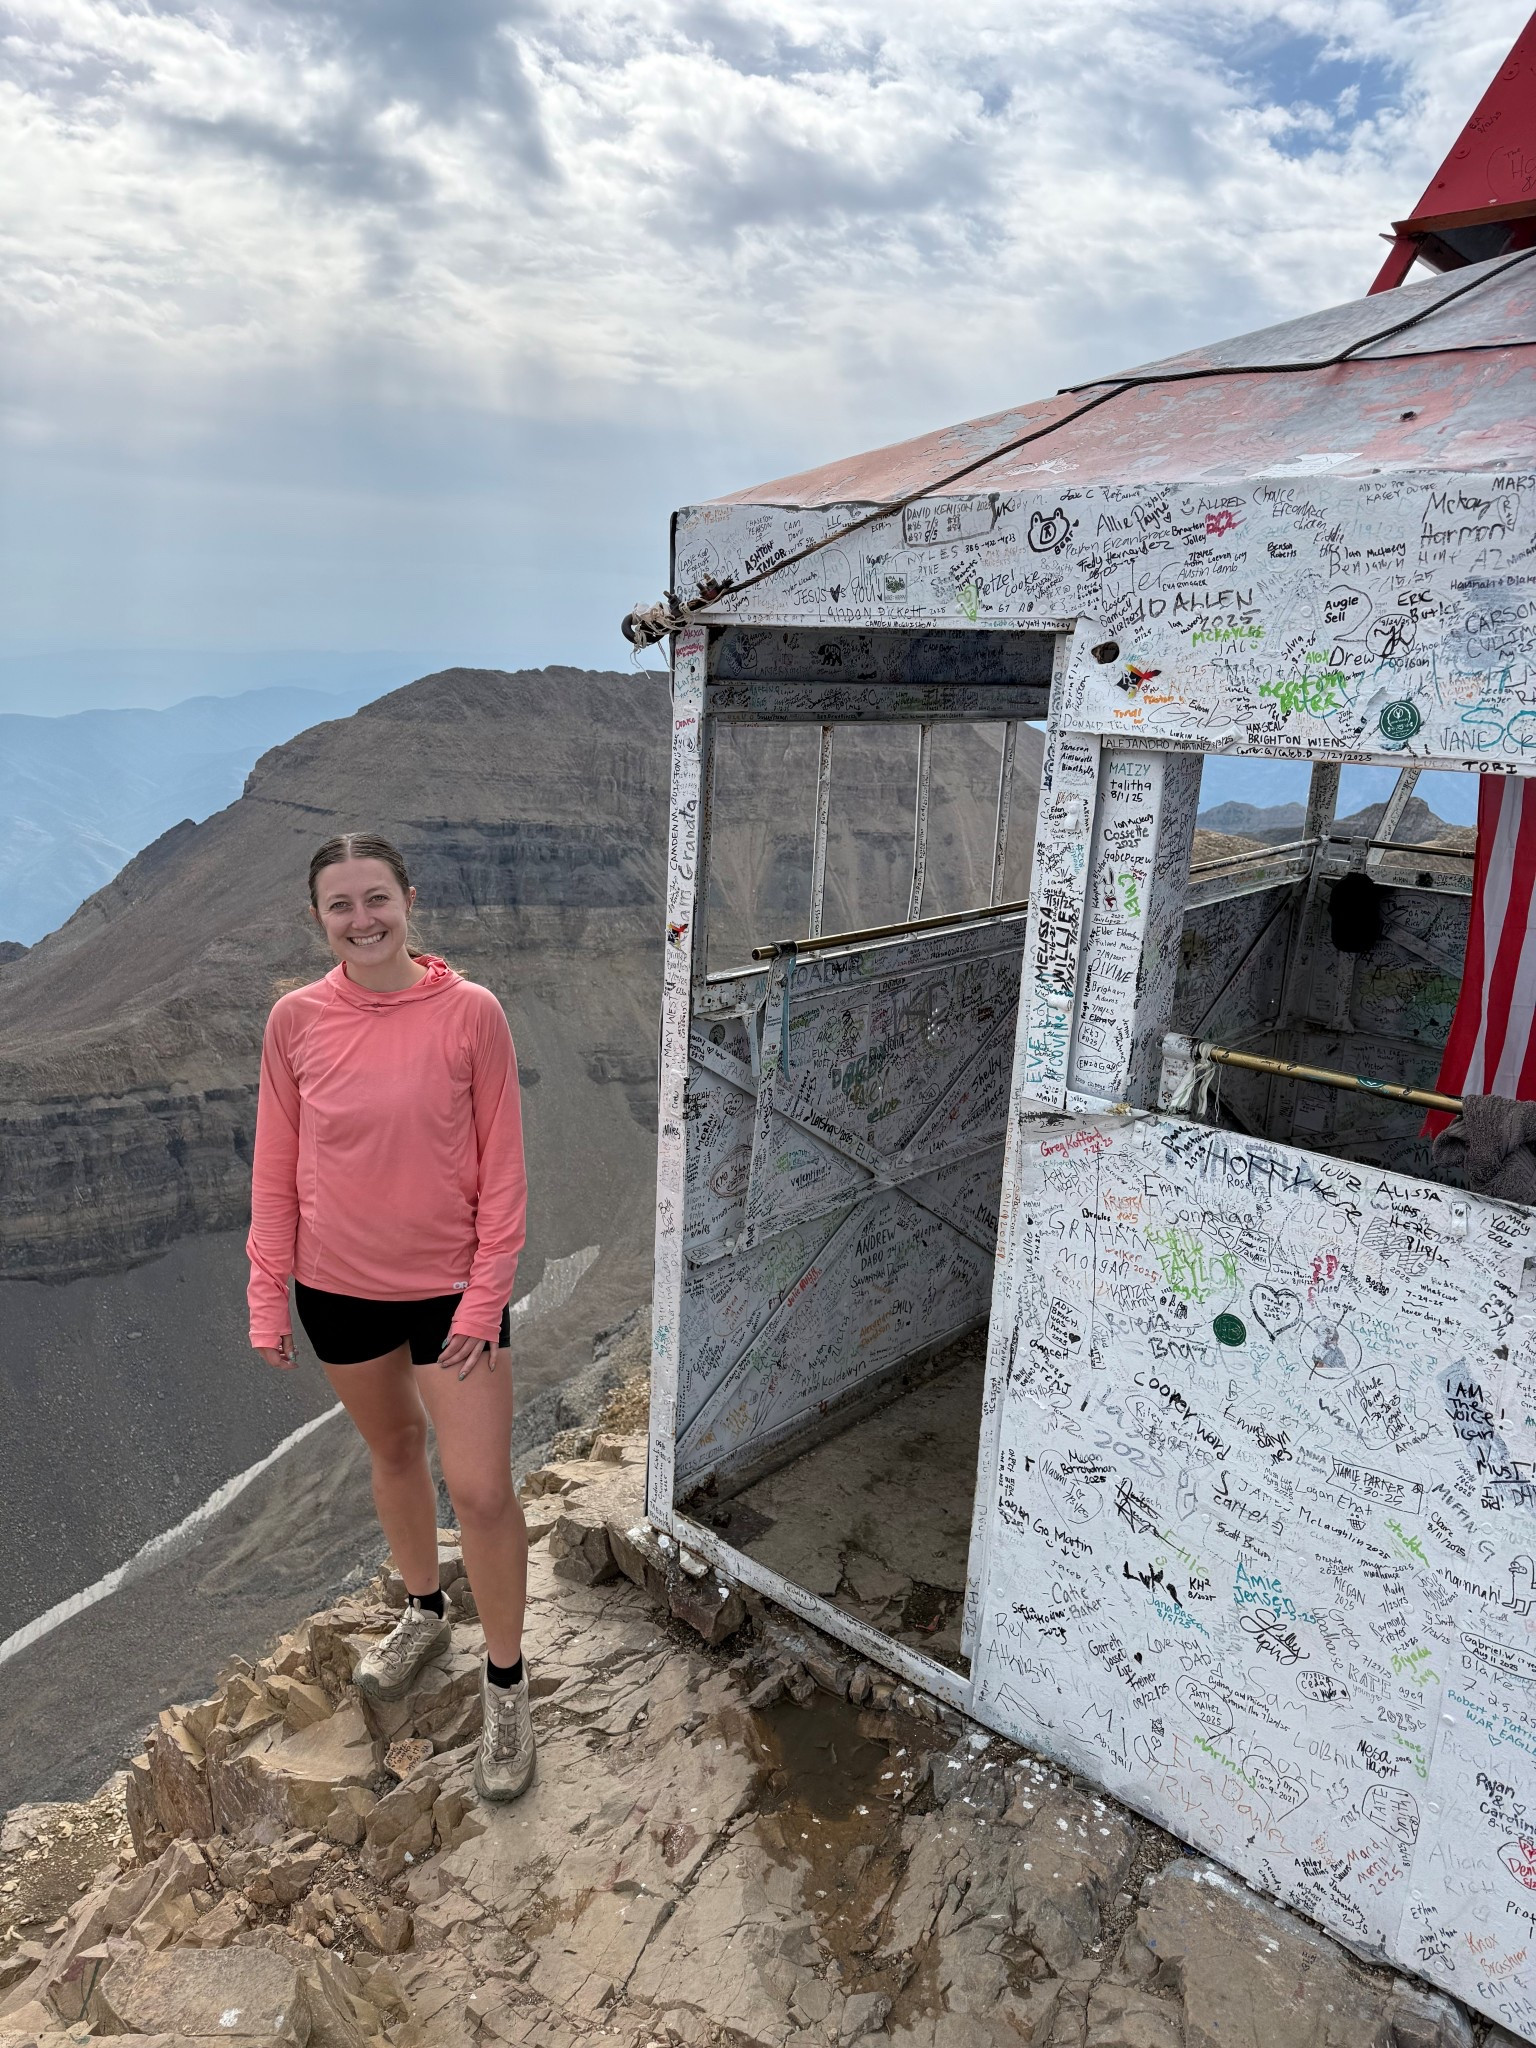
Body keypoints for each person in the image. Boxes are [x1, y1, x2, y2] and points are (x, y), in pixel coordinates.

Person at [246, 831, 534, 1802]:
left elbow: (504, 1173)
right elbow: (277, 1165)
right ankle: (423, 1607)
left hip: (454, 1292)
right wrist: (267, 1288)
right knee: (396, 1453)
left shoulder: (470, 1014)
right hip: (337, 1288)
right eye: (341, 904)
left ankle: (506, 1682)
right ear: (317, 918)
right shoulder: (293, 1023)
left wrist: (486, 1296)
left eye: (377, 898)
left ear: (409, 898)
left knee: (485, 1489)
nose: (362, 919)